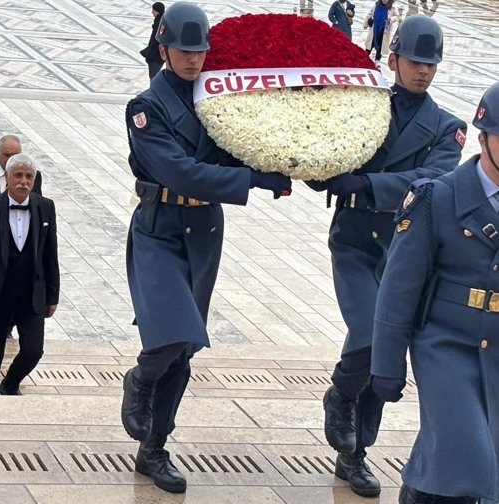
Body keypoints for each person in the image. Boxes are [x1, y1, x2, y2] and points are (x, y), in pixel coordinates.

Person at [119, 3, 291, 494]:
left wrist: (285, 153)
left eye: (200, 50)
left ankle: (153, 448)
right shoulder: (145, 108)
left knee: (185, 349)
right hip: (160, 228)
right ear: (163, 48)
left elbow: (238, 145)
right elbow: (181, 171)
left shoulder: (217, 99)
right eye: (183, 50)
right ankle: (139, 380)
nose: (193, 60)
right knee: (173, 332)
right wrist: (252, 178)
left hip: (203, 231)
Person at [306, 15, 467, 498]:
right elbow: (324, 143)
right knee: (369, 330)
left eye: (431, 63)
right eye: (415, 60)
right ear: (393, 58)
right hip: (355, 239)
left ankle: (354, 453)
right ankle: (341, 395)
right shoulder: (361, 104)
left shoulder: (447, 128)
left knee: (384, 352)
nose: (423, 71)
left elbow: (429, 184)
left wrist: (368, 183)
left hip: (404, 249)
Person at [370, 83, 499, 504]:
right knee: (466, 452)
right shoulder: (436, 197)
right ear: (483, 138)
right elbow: (398, 290)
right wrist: (386, 367)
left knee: (458, 457)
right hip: (446, 346)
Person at [0, 154, 59, 394]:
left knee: (34, 350)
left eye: (29, 176)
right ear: (7, 177)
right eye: (18, 175)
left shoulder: (46, 208)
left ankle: (10, 384)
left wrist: (52, 296)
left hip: (30, 295)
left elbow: (50, 254)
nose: (24, 181)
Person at [140, 3, 165, 80]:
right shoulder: (162, 20)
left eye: (153, 10)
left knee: (153, 77)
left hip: (156, 56)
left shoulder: (159, 24)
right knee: (154, 76)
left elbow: (155, 42)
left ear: (157, 11)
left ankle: (155, 91)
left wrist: (149, 55)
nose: (152, 12)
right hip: (158, 55)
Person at [365, 0, 394, 65]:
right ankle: (365, 58)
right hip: (375, 28)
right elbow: (370, 14)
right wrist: (366, 23)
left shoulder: (392, 7)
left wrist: (391, 19)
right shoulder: (376, 5)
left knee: (380, 46)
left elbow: (397, 16)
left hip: (383, 30)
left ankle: (377, 61)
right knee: (370, 44)